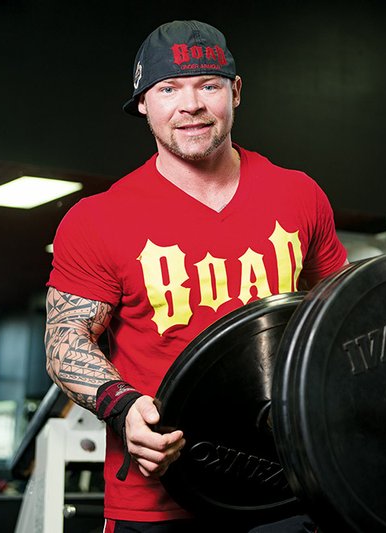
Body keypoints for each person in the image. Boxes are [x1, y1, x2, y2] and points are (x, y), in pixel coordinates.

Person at [44, 20, 348, 533]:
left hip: (289, 486)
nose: (190, 105)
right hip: (159, 497)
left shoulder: (299, 195)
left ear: (235, 91)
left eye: (208, 85)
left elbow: (341, 313)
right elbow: (63, 338)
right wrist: (121, 407)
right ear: (144, 103)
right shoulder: (98, 218)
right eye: (168, 89)